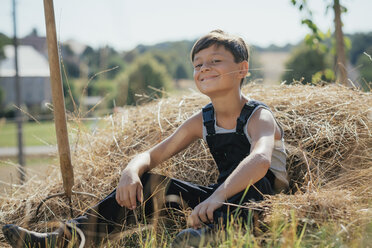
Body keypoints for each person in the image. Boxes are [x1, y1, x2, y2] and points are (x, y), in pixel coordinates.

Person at [2, 30, 288, 248]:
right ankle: (65, 238)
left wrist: (217, 197)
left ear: (242, 69)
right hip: (218, 198)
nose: (204, 68)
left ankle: (208, 237)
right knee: (151, 183)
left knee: (256, 187)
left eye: (215, 61)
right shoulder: (203, 120)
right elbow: (151, 155)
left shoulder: (257, 116)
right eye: (198, 64)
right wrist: (131, 171)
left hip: (261, 199)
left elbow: (260, 160)